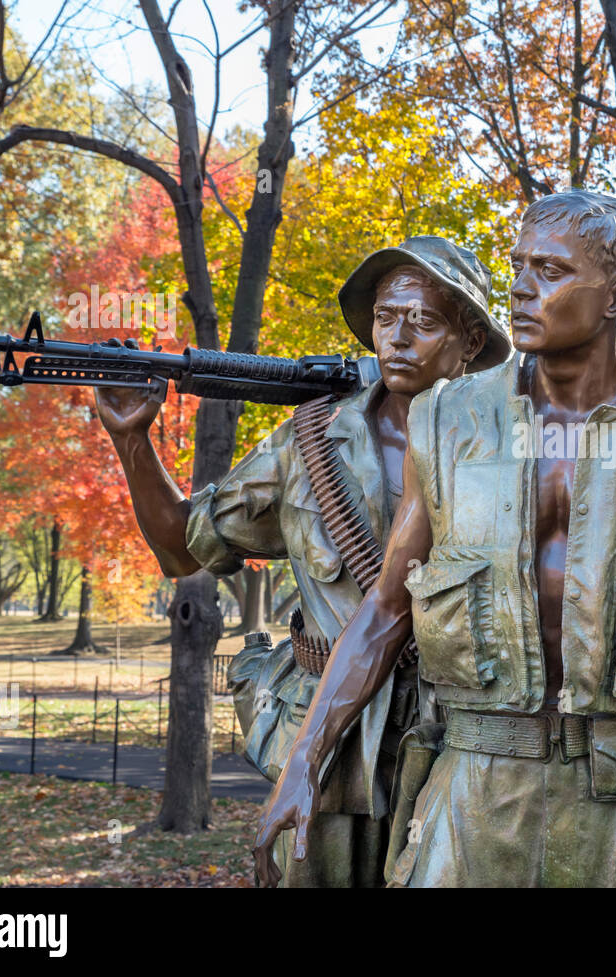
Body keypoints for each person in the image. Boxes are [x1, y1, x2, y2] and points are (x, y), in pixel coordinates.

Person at [251, 190, 616, 887]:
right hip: (476, 784)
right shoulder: (446, 419)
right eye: (519, 265)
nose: (522, 287)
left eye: (552, 270)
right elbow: (385, 610)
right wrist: (303, 761)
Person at [95, 236, 510, 886]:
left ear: (471, 340)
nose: (398, 337)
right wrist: (132, 443)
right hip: (331, 747)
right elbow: (181, 545)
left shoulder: (516, 450)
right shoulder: (309, 442)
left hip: (464, 744)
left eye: (424, 322)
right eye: (385, 317)